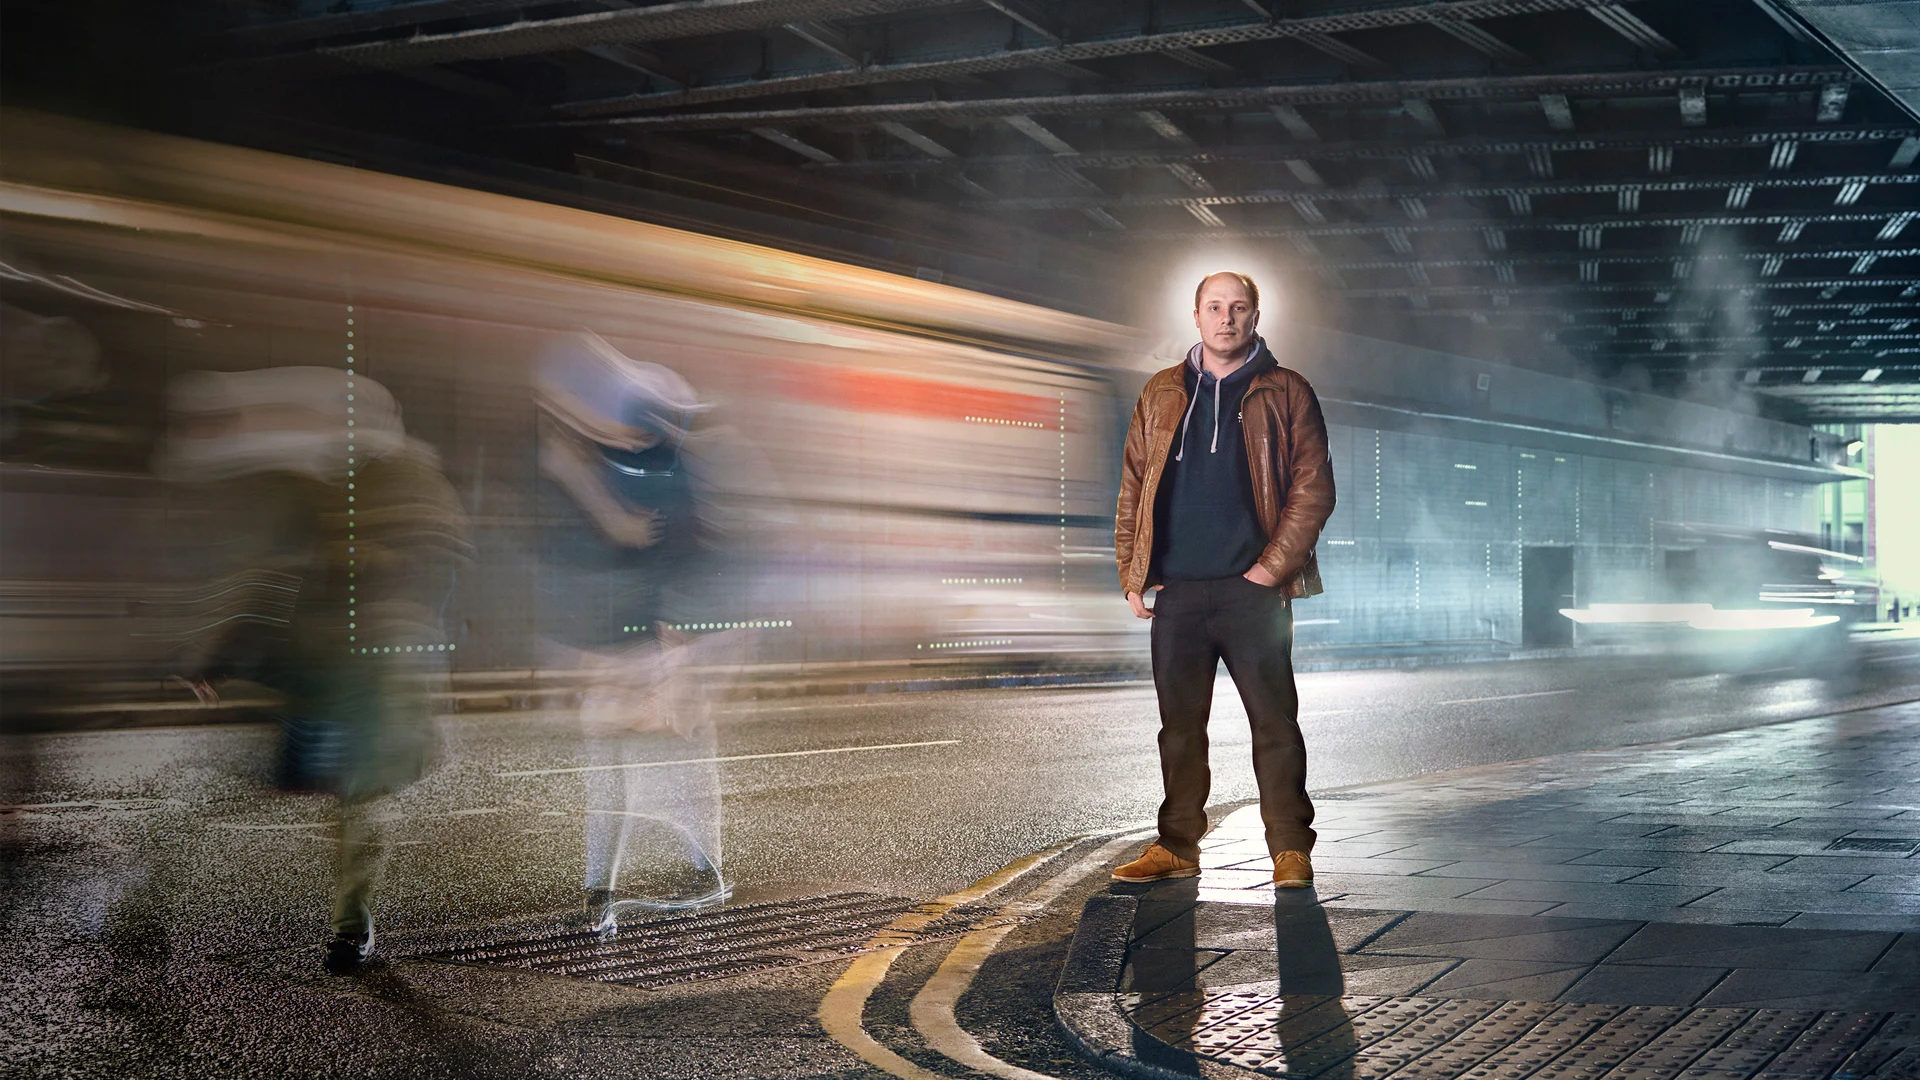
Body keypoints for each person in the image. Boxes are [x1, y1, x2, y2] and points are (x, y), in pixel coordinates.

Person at [159, 366, 470, 973]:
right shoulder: (369, 488)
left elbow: (284, 579)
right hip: (351, 672)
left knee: (355, 797)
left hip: (364, 674)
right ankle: (351, 925)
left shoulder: (379, 489)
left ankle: (351, 926)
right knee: (355, 798)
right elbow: (283, 579)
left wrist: (221, 659)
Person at [1110, 271, 1335, 889]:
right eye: (1215, 307)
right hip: (1178, 591)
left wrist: (1269, 571)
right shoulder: (1161, 392)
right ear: (1197, 315)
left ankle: (1290, 848)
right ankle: (1177, 845)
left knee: (1275, 723)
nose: (1226, 318)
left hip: (1253, 591)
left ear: (1256, 316)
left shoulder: (1286, 391)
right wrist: (1133, 571)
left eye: (1238, 308)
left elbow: (1312, 489)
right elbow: (1135, 482)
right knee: (1179, 729)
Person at [532, 331, 733, 932]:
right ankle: (704, 866)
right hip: (648, 641)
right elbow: (661, 549)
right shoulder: (665, 474)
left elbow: (619, 543)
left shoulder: (614, 469)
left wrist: (574, 476)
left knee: (614, 768)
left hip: (623, 642)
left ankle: (603, 886)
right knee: (689, 759)